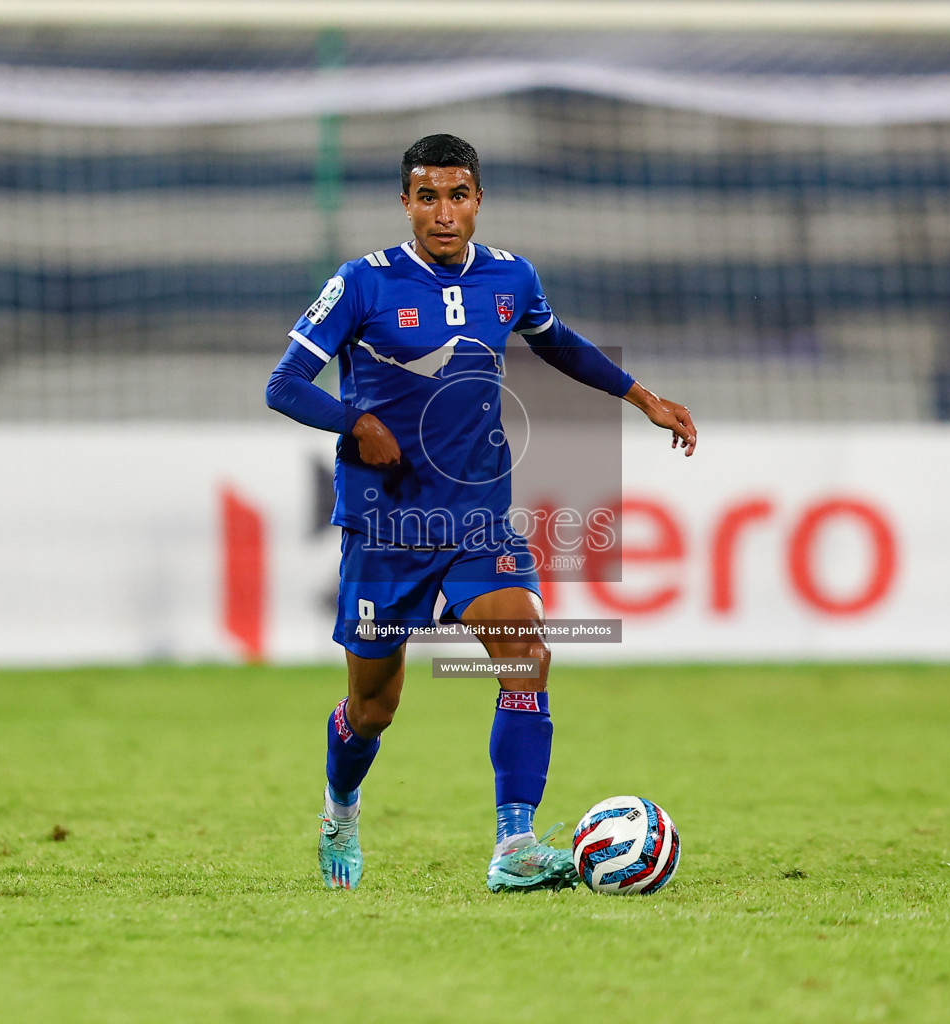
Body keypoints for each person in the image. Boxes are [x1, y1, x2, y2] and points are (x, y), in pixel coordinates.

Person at [265, 134, 696, 892]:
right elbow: (285, 383)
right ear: (405, 203)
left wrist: (642, 396)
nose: (443, 211)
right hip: (387, 527)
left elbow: (556, 343)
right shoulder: (362, 284)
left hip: (477, 522)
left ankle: (515, 845)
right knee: (373, 709)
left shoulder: (511, 276)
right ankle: (340, 810)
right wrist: (352, 423)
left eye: (457, 195)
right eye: (427, 196)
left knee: (526, 657)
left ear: (478, 200)